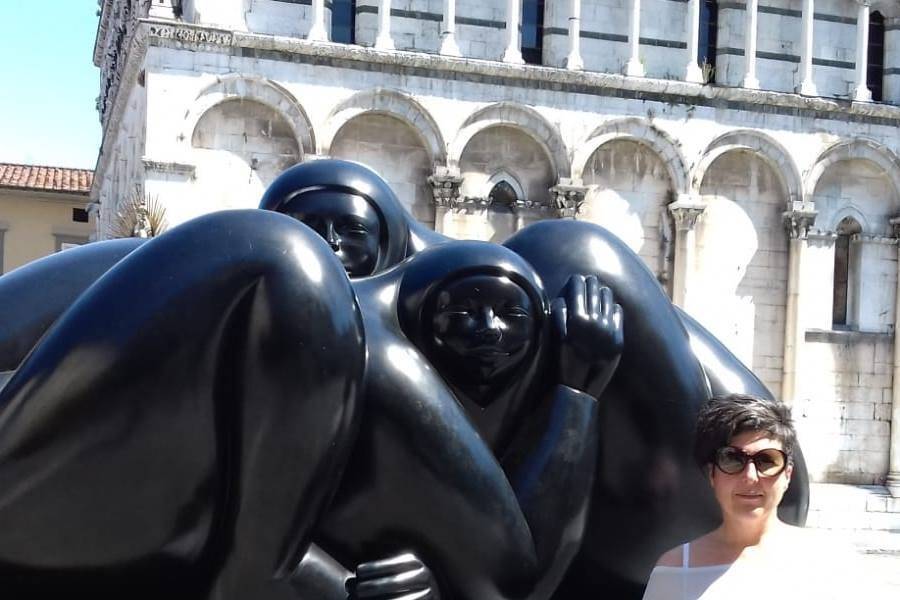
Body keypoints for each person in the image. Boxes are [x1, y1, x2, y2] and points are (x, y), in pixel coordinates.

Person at [642, 393, 854, 600]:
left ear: (787, 475)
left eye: (766, 461)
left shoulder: (830, 562)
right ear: (711, 475)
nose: (750, 477)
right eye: (732, 459)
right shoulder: (675, 570)